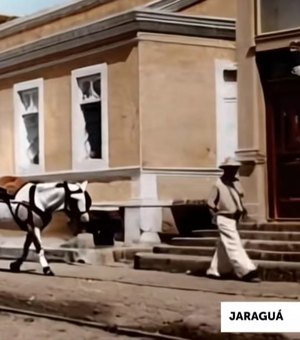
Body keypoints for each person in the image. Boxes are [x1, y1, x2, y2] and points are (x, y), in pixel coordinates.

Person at [206, 157, 260, 282]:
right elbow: (210, 202)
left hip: (234, 219)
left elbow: (239, 198)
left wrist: (242, 209)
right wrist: (215, 214)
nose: (234, 171)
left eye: (235, 169)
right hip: (223, 218)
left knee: (224, 245)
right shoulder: (218, 184)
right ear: (225, 169)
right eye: (231, 169)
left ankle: (215, 270)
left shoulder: (236, 182)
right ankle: (246, 270)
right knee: (234, 244)